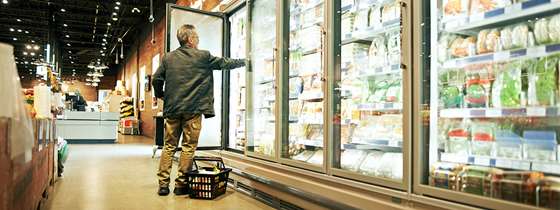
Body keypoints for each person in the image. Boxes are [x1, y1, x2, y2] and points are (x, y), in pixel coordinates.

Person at [152, 24, 246, 196]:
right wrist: (244, 62)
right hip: (193, 110)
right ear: (190, 39)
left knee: (169, 146)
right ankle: (181, 185)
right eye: (196, 37)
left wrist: (162, 95)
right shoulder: (203, 56)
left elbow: (156, 79)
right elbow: (224, 63)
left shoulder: (168, 58)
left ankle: (163, 185)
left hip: (172, 109)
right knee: (188, 147)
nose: (198, 40)